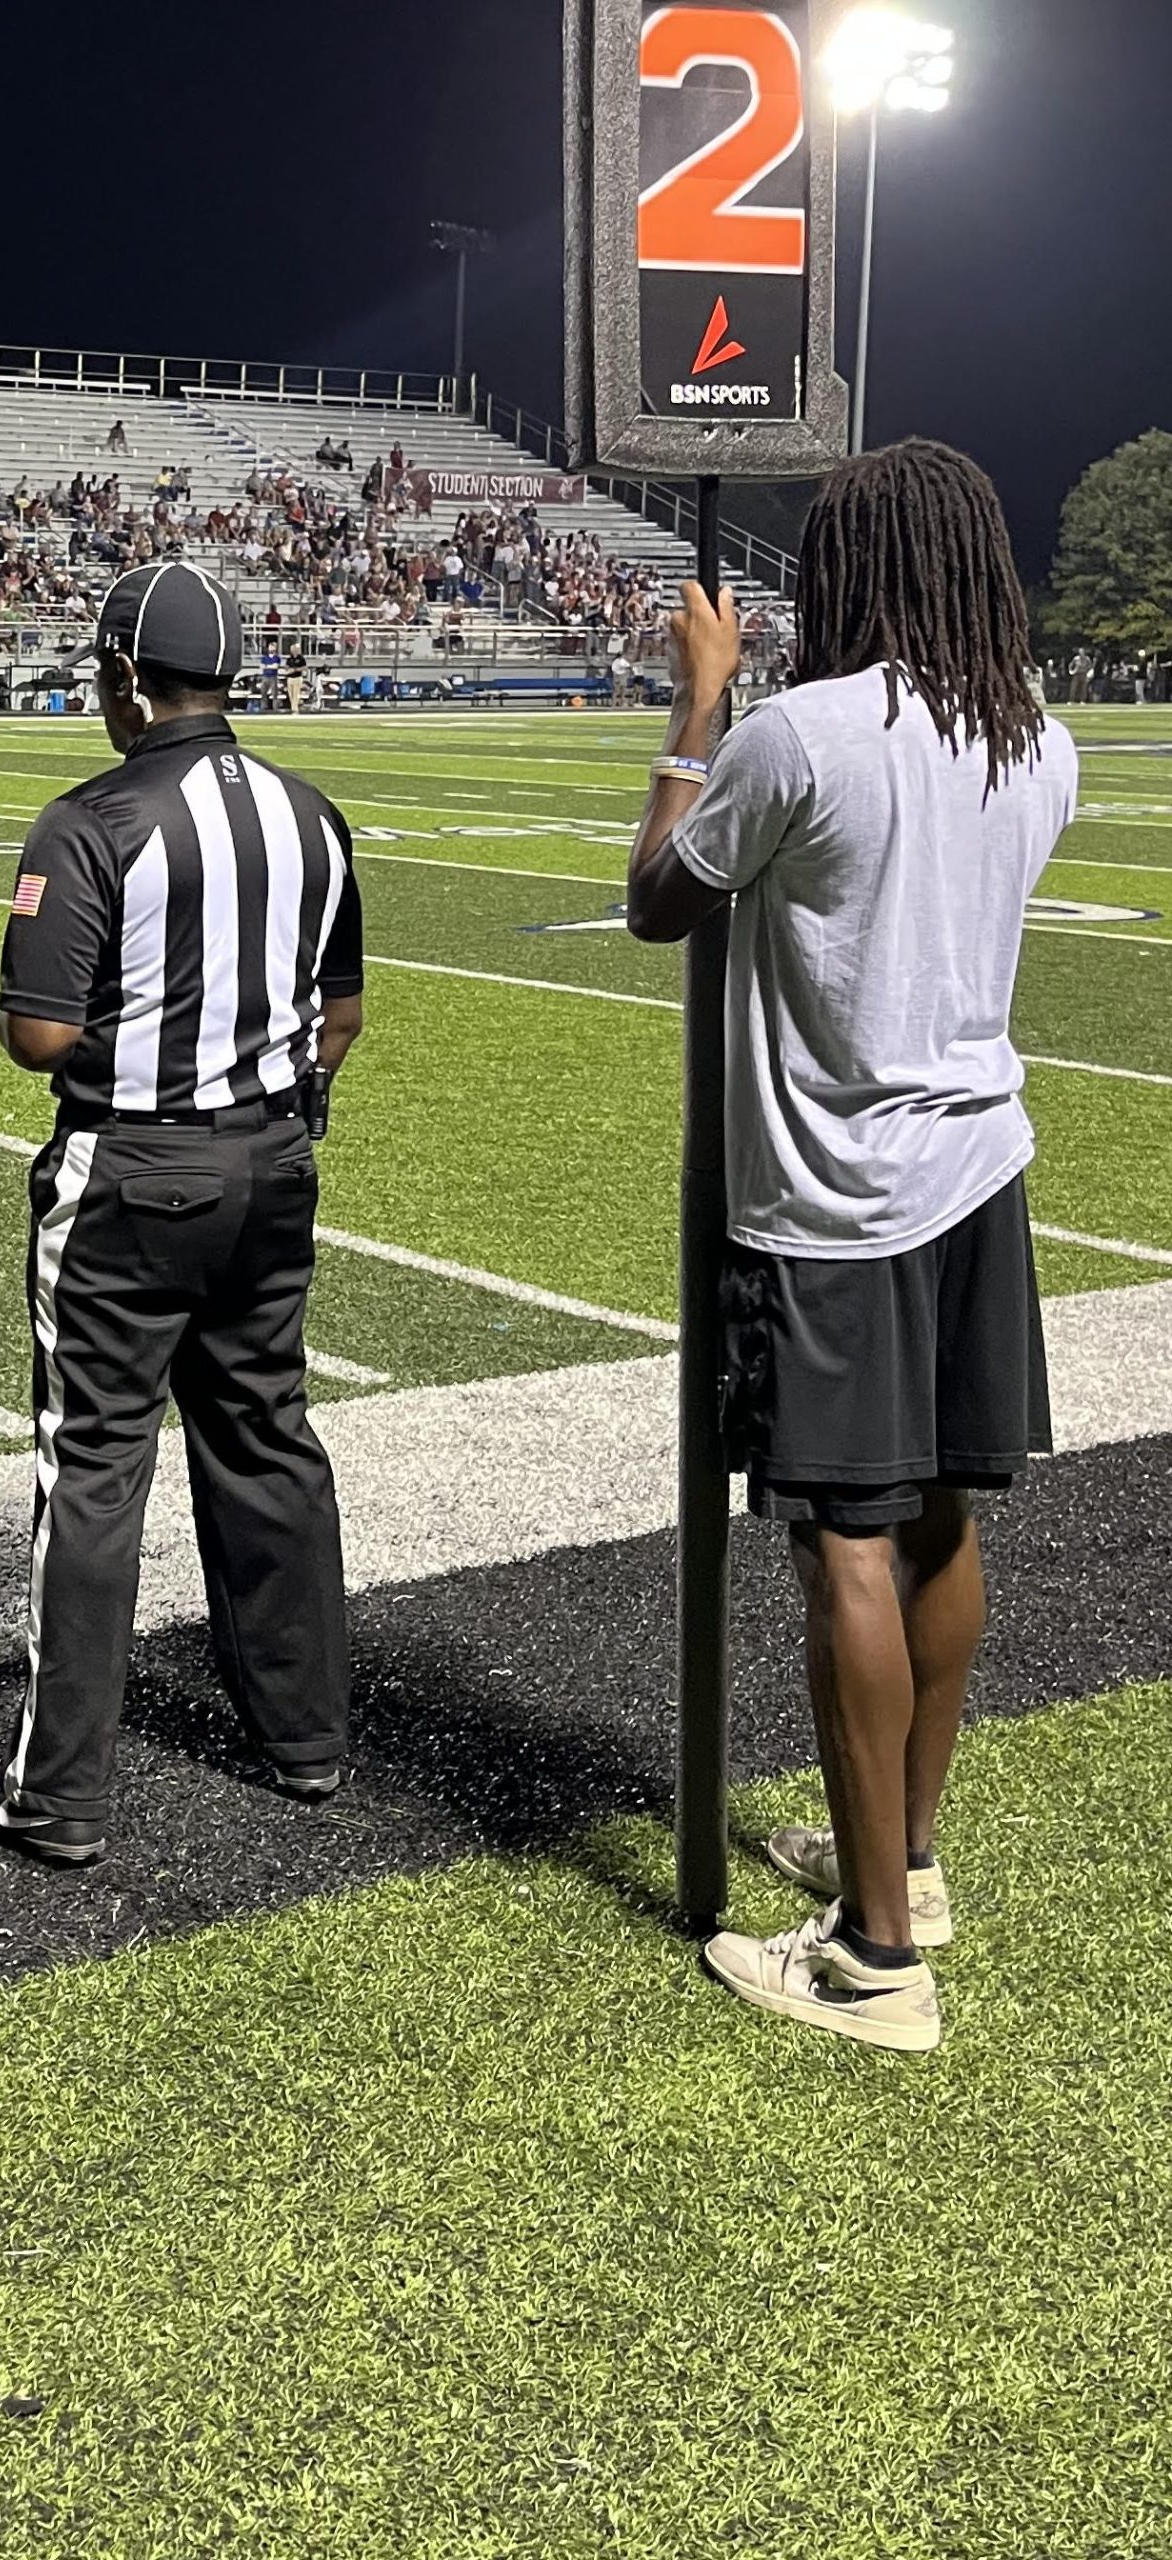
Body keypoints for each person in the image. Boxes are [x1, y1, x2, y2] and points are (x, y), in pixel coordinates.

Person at [623, 439, 1079, 2054]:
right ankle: (913, 1862)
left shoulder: (802, 736)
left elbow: (658, 902)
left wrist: (698, 703)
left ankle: (877, 1958)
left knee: (847, 1550)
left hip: (831, 1197)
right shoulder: (1039, 741)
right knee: (946, 1512)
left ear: (850, 573)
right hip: (981, 1175)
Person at [0, 560, 363, 1869]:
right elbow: (339, 1016)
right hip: (274, 1168)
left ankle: (57, 1792)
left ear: (126, 674)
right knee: (267, 1440)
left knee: (95, 1467)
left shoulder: (90, 819)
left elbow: (38, 1033)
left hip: (130, 1177)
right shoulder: (312, 814)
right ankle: (306, 1738)